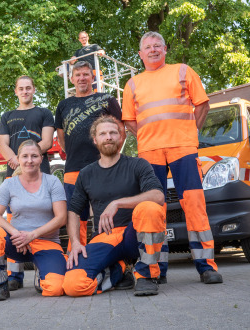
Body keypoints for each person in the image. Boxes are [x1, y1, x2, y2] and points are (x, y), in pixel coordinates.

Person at [122, 31, 223, 284]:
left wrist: (190, 134)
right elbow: (130, 121)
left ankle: (207, 266)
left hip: (183, 149)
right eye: (148, 47)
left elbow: (202, 105)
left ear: (165, 49)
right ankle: (156, 270)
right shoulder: (132, 84)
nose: (153, 50)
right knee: (154, 209)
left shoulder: (182, 71)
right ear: (140, 54)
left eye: (158, 46)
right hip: (150, 153)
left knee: (195, 205)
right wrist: (148, 136)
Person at [62, 115, 166, 297]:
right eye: (103, 134)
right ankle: (119, 269)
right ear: (95, 140)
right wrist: (76, 242)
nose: (108, 137)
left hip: (134, 235)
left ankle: (146, 276)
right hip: (106, 236)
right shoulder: (86, 174)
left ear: (121, 137)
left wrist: (117, 203)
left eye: (112, 132)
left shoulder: (138, 165)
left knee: (150, 208)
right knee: (73, 285)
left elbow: (158, 196)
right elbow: (74, 211)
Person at [0, 140, 67, 301]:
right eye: (25, 156)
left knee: (56, 288)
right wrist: (17, 234)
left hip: (46, 242)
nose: (29, 160)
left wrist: (32, 235)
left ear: (41, 159)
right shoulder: (9, 184)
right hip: (17, 243)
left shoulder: (52, 182)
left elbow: (61, 218)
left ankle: (42, 275)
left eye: (34, 156)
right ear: (18, 159)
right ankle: (0, 285)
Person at [55, 61, 122, 245]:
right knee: (76, 216)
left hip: (104, 167)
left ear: (93, 77)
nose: (82, 78)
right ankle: (77, 259)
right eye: (78, 75)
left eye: (85, 74)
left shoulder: (107, 99)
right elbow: (62, 138)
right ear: (72, 79)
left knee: (107, 215)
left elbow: (120, 130)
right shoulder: (63, 105)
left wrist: (111, 156)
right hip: (73, 169)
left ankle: (112, 260)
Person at [0, 75, 55, 291]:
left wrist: (27, 160)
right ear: (15, 91)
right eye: (21, 88)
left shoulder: (44, 113)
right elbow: (3, 144)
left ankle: (43, 272)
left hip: (39, 172)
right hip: (14, 173)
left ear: (34, 90)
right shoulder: (7, 116)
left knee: (42, 218)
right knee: (14, 221)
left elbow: (47, 141)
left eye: (28, 88)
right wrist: (17, 162)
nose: (24, 91)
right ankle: (15, 275)